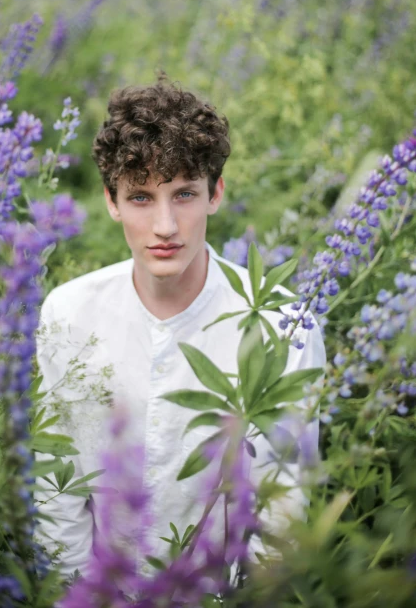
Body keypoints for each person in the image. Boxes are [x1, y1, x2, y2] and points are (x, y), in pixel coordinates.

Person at [34, 73, 326, 585]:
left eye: (184, 194)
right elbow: (57, 490)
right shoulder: (69, 312)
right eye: (142, 197)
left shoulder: (284, 324)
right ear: (111, 201)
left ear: (216, 195)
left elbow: (282, 507)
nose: (165, 226)